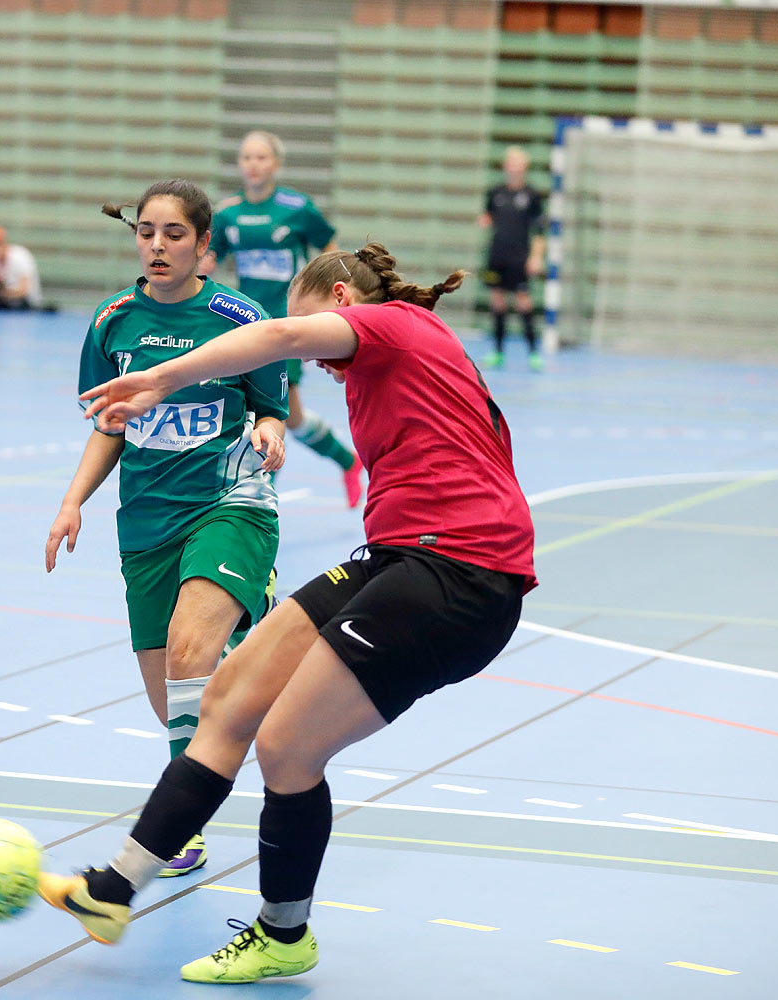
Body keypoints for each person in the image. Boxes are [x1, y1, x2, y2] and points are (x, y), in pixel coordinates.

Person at [40, 243, 536, 984]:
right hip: (401, 555)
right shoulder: (396, 362)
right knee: (230, 696)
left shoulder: (393, 325)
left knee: (287, 746)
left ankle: (283, 935)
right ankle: (111, 893)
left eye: (316, 333)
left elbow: (275, 338)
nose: (317, 364)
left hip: (462, 573)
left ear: (342, 301)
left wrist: (159, 381)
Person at [46, 179, 288, 879]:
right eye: (146, 232)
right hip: (145, 524)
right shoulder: (111, 322)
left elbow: (270, 409)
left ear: (204, 245)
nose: (157, 245)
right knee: (178, 703)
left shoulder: (241, 317)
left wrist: (270, 433)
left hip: (228, 505)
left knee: (189, 654)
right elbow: (108, 425)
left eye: (173, 234)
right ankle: (250, 626)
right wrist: (72, 502)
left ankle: (175, 829)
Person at [205, 131, 363, 507]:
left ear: (275, 164)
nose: (253, 165)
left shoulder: (296, 208)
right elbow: (209, 258)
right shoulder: (228, 214)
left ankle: (261, 492)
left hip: (290, 328)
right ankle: (346, 460)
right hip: (246, 324)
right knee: (285, 415)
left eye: (261, 158)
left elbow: (330, 251)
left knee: (277, 410)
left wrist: (331, 296)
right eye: (246, 158)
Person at [478, 145, 546, 372]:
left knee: (523, 302)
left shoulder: (532, 195)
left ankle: (534, 353)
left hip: (520, 258)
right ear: (506, 166)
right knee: (497, 302)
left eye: (519, 162)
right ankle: (498, 352)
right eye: (511, 162)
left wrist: (536, 257)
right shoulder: (495, 193)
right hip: (497, 256)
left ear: (524, 166)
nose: (515, 167)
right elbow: (488, 218)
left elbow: (539, 232)